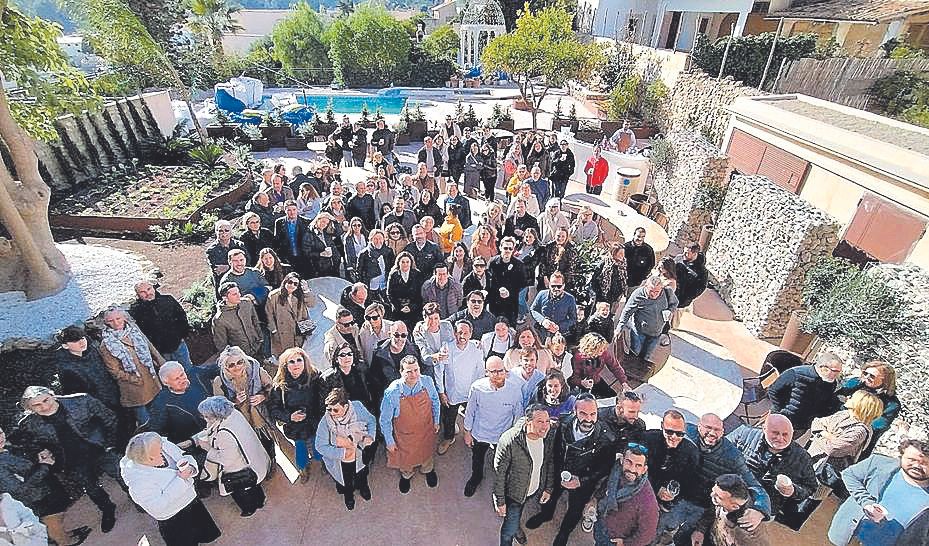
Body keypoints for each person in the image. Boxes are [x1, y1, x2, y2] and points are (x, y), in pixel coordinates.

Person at [13, 387, 122, 534]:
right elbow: (31, 443)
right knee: (91, 488)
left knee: (121, 473)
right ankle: (107, 509)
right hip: (71, 460)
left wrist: (110, 444)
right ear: (29, 408)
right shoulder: (29, 423)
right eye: (36, 405)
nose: (44, 406)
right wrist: (41, 452)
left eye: (46, 400)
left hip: (99, 448)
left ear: (52, 395)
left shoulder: (81, 400)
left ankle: (136, 497)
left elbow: (110, 418)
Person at [660, 413, 771, 546]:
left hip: (702, 506)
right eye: (708, 427)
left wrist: (760, 510)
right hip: (675, 498)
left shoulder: (732, 456)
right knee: (660, 529)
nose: (712, 433)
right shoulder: (685, 434)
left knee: (683, 539)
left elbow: (754, 486)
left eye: (717, 429)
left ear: (723, 431)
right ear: (698, 427)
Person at [527, 393, 616, 544]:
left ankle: (564, 533)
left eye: (593, 414)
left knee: (575, 509)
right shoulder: (563, 423)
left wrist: (581, 481)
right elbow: (554, 448)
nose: (588, 419)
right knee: (550, 496)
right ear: (574, 411)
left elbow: (605, 467)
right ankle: (546, 515)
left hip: (583, 482)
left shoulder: (607, 438)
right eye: (583, 413)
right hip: (559, 472)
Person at [120, 432, 221, 546]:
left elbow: (183, 456)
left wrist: (191, 468)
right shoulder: (138, 482)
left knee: (202, 531)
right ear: (148, 459)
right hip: (174, 518)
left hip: (191, 502)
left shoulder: (160, 446)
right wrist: (181, 479)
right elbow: (157, 506)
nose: (163, 452)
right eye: (159, 453)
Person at [828, 435, 929, 546]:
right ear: (902, 455)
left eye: (924, 463)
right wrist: (866, 502)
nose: (917, 465)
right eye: (912, 459)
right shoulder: (879, 463)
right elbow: (849, 474)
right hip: (846, 535)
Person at [0, 426, 87, 546]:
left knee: (56, 519)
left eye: (0, 433)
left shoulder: (7, 448)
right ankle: (65, 542)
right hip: (36, 499)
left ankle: (64, 535)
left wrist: (39, 459)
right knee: (52, 521)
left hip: (44, 489)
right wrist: (44, 466)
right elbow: (20, 490)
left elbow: (25, 467)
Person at [727, 414, 817, 521]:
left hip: (762, 510)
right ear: (764, 429)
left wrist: (793, 491)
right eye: (775, 433)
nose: (780, 438)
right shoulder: (744, 434)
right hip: (730, 494)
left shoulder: (802, 458)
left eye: (785, 435)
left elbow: (810, 487)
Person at [463, 356, 525, 497]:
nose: (498, 375)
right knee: (477, 459)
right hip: (480, 433)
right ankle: (476, 477)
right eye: (493, 372)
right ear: (486, 372)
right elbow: (470, 411)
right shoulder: (477, 387)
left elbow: (518, 415)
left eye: (500, 371)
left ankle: (502, 484)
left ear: (505, 371)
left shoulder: (515, 390)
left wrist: (513, 437)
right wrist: (467, 432)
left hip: (503, 435)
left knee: (503, 463)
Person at [197, 396, 270, 518]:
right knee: (254, 486)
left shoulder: (224, 434)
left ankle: (248, 509)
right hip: (253, 460)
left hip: (238, 470)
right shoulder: (234, 413)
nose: (204, 418)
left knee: (241, 493)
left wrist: (207, 448)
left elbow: (226, 460)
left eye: (206, 416)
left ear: (216, 415)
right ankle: (260, 501)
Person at [494, 404, 556, 546]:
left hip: (531, 491)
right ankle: (512, 531)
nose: (545, 426)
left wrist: (548, 487)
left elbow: (549, 461)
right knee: (508, 532)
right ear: (528, 422)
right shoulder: (509, 440)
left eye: (547, 421)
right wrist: (500, 501)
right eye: (540, 421)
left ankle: (515, 526)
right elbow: (500, 474)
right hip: (513, 495)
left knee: (517, 515)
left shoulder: (547, 435)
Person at [380, 356, 440, 493]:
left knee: (426, 453)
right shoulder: (392, 393)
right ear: (401, 372)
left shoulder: (427, 382)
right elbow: (385, 420)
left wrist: (436, 420)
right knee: (406, 459)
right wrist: (389, 441)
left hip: (426, 429)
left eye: (416, 370)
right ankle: (406, 475)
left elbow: (435, 401)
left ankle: (428, 469)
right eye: (408, 371)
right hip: (404, 436)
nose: (413, 375)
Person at [99, 306, 164, 427]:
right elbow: (114, 371)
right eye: (111, 321)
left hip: (150, 377)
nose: (116, 323)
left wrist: (162, 363)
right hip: (133, 387)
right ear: (106, 323)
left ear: (124, 317)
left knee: (160, 411)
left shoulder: (134, 330)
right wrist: (135, 379)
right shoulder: (106, 343)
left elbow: (149, 347)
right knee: (146, 422)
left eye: (118, 318)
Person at [267, 348, 323, 484]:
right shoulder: (279, 386)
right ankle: (303, 470)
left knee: (318, 448)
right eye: (291, 362)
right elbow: (273, 409)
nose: (296, 364)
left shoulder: (315, 378)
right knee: (301, 452)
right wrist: (290, 417)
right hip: (296, 428)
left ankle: (323, 464)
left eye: (299, 360)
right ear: (285, 366)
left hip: (314, 423)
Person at [807, 391, 884, 491]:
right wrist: (826, 434)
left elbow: (833, 449)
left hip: (821, 473)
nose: (848, 397)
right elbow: (817, 422)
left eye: (852, 397)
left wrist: (820, 434)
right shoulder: (844, 414)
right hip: (810, 460)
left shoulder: (860, 431)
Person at [586, 443, 660, 546]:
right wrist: (594, 500)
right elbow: (605, 487)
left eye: (638, 465)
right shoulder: (616, 471)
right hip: (602, 523)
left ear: (644, 470)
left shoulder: (647, 501)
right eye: (629, 462)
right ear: (622, 460)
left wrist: (626, 543)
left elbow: (647, 535)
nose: (632, 469)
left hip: (615, 540)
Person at [315, 388, 376, 510]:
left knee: (362, 475)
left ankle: (364, 487)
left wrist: (370, 436)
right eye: (329, 409)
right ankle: (349, 497)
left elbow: (371, 421)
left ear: (346, 406)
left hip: (359, 455)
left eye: (336, 409)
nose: (331, 413)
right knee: (345, 483)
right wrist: (343, 453)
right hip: (339, 461)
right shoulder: (325, 421)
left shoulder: (358, 407)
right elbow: (320, 446)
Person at [211, 346, 275, 462]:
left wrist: (263, 396)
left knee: (267, 439)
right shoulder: (219, 382)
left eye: (239, 362)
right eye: (231, 365)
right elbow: (219, 408)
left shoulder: (256, 370)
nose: (236, 367)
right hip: (240, 421)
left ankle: (272, 461)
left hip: (260, 415)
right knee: (250, 445)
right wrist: (235, 402)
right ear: (226, 367)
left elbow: (272, 388)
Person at [53, 325, 122, 426]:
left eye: (82, 338)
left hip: (115, 397)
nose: (81, 342)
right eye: (75, 341)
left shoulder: (92, 351)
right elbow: (78, 398)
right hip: (99, 408)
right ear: (65, 346)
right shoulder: (67, 369)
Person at [767, 352, 844, 436]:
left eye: (838, 372)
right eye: (834, 371)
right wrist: (781, 411)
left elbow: (824, 404)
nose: (836, 375)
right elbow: (773, 390)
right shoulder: (796, 373)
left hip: (800, 427)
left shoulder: (831, 383)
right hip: (781, 418)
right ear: (823, 367)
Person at [835, 361, 901, 457]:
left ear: (885, 380)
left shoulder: (891, 404)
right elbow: (835, 397)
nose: (866, 377)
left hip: (856, 441)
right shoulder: (856, 383)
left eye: (872, 376)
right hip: (834, 426)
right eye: (865, 373)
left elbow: (876, 427)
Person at [640, 409, 700, 510]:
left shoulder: (691, 451)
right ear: (662, 425)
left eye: (679, 434)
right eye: (669, 432)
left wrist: (675, 494)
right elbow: (635, 469)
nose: (674, 437)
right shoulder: (647, 439)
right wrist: (656, 488)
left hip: (669, 500)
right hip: (643, 490)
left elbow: (689, 480)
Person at [691, 474, 770, 546]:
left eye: (718, 496)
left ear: (734, 507)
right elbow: (711, 513)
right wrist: (700, 530)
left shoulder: (748, 531)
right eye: (713, 491)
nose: (711, 495)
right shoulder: (719, 501)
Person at [129, 282, 192, 368]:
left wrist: (182, 335)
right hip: (161, 353)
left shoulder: (167, 300)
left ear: (153, 288)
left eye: (149, 289)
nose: (147, 293)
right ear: (138, 295)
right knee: (170, 376)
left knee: (188, 370)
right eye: (142, 292)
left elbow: (182, 317)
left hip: (178, 346)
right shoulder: (136, 312)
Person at [618, 275, 678, 362]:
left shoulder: (667, 292)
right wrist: (620, 327)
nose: (654, 294)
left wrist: (670, 310)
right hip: (639, 332)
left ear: (661, 288)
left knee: (646, 355)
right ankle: (630, 370)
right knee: (634, 352)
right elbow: (627, 311)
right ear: (646, 286)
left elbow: (674, 303)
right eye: (651, 291)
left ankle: (639, 370)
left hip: (656, 333)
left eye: (657, 291)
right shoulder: (638, 294)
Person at [369, 321, 425, 400]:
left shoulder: (414, 351)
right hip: (390, 398)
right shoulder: (379, 354)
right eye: (396, 335)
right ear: (390, 335)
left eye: (403, 335)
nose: (400, 339)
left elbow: (420, 374)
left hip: (412, 396)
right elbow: (375, 382)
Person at [264, 273, 312, 359]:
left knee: (298, 356)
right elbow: (269, 314)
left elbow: (312, 304)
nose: (292, 285)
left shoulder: (299, 295)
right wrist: (274, 331)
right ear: (285, 281)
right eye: (290, 282)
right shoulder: (274, 295)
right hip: (282, 332)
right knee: (286, 358)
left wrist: (306, 290)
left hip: (298, 332)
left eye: (295, 284)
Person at [212, 283, 263, 359]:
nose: (239, 295)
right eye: (234, 294)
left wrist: (260, 338)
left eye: (238, 292)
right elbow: (221, 344)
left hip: (257, 347)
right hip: (241, 356)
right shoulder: (219, 319)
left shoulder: (247, 303)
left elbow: (255, 322)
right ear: (225, 298)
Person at [486, 236, 526, 324]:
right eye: (505, 248)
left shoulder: (519, 265)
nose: (507, 250)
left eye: (510, 248)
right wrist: (498, 290)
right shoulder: (492, 263)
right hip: (495, 302)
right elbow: (488, 281)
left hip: (511, 302)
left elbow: (522, 283)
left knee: (511, 327)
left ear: (513, 249)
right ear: (500, 248)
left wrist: (510, 291)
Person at [530, 271, 578, 341]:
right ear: (549, 285)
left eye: (559, 286)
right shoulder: (541, 294)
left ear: (563, 286)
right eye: (553, 286)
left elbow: (573, 319)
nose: (555, 289)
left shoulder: (570, 299)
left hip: (558, 334)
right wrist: (543, 321)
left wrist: (559, 326)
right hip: (541, 331)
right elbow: (533, 309)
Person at [599, 390, 647, 456]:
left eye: (638, 412)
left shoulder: (639, 426)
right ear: (619, 409)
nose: (636, 417)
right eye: (631, 412)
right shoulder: (598, 418)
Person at [386, 251, 425, 329]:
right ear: (398, 263)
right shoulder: (393, 275)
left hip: (414, 309)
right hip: (398, 309)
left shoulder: (417, 274)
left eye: (407, 262)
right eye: (403, 262)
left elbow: (420, 294)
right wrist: (400, 307)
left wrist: (411, 307)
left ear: (411, 263)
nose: (405, 264)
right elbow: (389, 294)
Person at [273, 201, 310, 277]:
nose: (292, 212)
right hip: (287, 256)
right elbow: (277, 241)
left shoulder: (306, 222)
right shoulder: (279, 223)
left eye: (294, 209)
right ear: (285, 211)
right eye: (289, 210)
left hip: (303, 256)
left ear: (297, 210)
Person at [357, 229, 395, 301]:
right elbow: (359, 272)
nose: (378, 241)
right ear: (371, 239)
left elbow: (392, 267)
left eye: (380, 238)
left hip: (385, 285)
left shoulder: (388, 251)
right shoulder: (364, 254)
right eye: (375, 239)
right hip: (371, 287)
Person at [206, 220, 246, 286]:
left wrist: (227, 267)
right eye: (220, 231)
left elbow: (248, 262)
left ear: (231, 232)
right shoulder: (211, 250)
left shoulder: (240, 245)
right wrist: (237, 265)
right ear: (216, 232)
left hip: (242, 280)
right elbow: (217, 270)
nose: (224, 233)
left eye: (226, 230)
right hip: (223, 284)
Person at [590, 245, 628, 315]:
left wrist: (620, 293)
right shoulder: (604, 264)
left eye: (623, 254)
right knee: (598, 316)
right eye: (620, 254)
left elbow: (624, 279)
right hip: (602, 297)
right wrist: (599, 294)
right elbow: (594, 280)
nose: (622, 256)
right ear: (614, 253)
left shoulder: (623, 265)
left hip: (615, 298)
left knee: (609, 317)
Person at [674, 242, 708, 309]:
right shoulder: (678, 258)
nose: (684, 254)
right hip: (670, 295)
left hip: (681, 303)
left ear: (695, 254)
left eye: (687, 253)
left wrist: (685, 299)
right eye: (684, 252)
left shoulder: (701, 272)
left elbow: (700, 288)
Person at [359, 303, 394, 367]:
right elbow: (363, 353)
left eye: (374, 318)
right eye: (368, 318)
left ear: (381, 316)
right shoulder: (364, 332)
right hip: (372, 369)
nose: (371, 321)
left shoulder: (392, 327)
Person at [624, 227, 655, 293]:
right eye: (638, 236)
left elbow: (651, 265)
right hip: (622, 280)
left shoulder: (648, 250)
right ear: (634, 235)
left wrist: (643, 277)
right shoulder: (625, 247)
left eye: (643, 237)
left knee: (630, 300)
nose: (640, 239)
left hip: (635, 282)